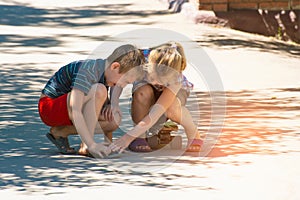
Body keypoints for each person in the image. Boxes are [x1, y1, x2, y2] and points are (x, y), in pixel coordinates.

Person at [38, 44, 145, 158]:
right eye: (125, 81)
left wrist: (108, 145)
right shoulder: (88, 70)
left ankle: (61, 132)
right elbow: (75, 110)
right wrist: (91, 144)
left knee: (114, 119)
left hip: (66, 110)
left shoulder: (106, 74)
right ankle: (86, 146)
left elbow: (98, 108)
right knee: (99, 90)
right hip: (49, 108)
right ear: (114, 66)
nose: (122, 86)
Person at [109, 41, 203, 154]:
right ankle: (140, 136)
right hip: (144, 88)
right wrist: (114, 104)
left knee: (172, 107)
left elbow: (156, 112)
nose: (154, 83)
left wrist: (127, 138)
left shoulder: (175, 78)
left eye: (161, 82)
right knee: (143, 93)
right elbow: (119, 79)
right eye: (152, 77)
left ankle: (192, 131)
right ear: (148, 65)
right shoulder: (138, 59)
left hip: (175, 92)